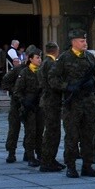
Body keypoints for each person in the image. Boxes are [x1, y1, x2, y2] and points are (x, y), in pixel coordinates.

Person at [50, 29, 95, 178]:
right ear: (73, 42)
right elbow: (52, 78)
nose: (85, 43)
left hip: (89, 102)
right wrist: (68, 87)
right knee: (72, 136)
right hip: (72, 103)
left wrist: (93, 82)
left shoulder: (90, 57)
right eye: (82, 41)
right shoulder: (64, 58)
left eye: (85, 40)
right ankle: (71, 166)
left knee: (89, 135)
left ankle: (87, 166)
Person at [13, 46, 44, 167]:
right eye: (37, 57)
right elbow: (17, 91)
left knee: (40, 132)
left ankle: (40, 154)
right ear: (30, 59)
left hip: (40, 106)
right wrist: (24, 101)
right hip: (29, 107)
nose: (40, 59)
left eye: (40, 57)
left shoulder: (41, 71)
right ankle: (30, 156)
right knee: (31, 132)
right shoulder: (24, 72)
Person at [37, 42, 65, 172]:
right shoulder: (51, 63)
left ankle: (50, 159)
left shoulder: (44, 63)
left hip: (48, 100)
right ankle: (47, 161)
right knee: (52, 132)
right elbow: (54, 83)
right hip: (52, 101)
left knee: (52, 131)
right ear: (56, 50)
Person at [1, 56, 25, 162]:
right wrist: (15, 91)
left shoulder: (37, 70)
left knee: (32, 130)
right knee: (14, 129)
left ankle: (29, 152)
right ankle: (11, 152)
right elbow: (5, 82)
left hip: (30, 104)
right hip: (16, 104)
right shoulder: (18, 69)